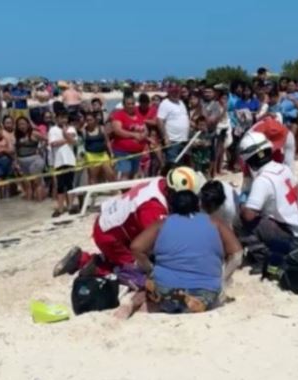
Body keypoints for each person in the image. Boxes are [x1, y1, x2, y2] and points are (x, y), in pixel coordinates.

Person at [52, 167, 202, 279]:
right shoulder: (153, 208)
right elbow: (155, 243)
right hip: (109, 235)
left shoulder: (160, 183)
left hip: (111, 222)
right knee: (136, 272)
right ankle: (88, 264)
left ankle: (89, 260)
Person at [129, 189, 243, 314]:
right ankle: (194, 301)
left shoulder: (162, 224)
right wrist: (222, 281)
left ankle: (164, 301)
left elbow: (136, 247)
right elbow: (237, 255)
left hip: (165, 293)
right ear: (198, 205)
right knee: (206, 292)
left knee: (150, 283)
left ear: (171, 207)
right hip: (207, 294)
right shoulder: (215, 222)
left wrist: (150, 269)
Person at [238, 132, 298, 245]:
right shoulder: (284, 168)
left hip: (290, 235)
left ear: (250, 161)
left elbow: (248, 216)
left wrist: (242, 204)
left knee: (245, 220)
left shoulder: (262, 180)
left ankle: (261, 252)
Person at [111, 95, 148, 180]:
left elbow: (145, 128)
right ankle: (123, 191)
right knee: (125, 172)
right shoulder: (119, 115)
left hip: (137, 152)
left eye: (132, 103)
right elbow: (117, 130)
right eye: (128, 104)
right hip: (123, 151)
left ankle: (131, 192)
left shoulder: (138, 115)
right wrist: (133, 135)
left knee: (135, 173)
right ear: (124, 105)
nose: (131, 106)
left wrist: (144, 135)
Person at [48, 111, 77, 217]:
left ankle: (70, 206)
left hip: (70, 160)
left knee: (70, 184)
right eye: (61, 118)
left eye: (65, 118)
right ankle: (60, 208)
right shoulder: (52, 130)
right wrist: (67, 138)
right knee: (60, 185)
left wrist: (65, 134)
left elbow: (74, 141)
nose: (63, 120)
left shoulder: (71, 129)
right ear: (56, 119)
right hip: (58, 161)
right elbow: (53, 143)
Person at [14, 116, 46, 201]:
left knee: (37, 183)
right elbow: (16, 150)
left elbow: (47, 139)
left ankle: (39, 203)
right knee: (27, 184)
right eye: (19, 124)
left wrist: (41, 148)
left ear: (28, 124)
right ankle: (29, 208)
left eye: (23, 123)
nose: (21, 126)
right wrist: (15, 161)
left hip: (35, 161)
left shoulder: (34, 133)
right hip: (22, 162)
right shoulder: (17, 135)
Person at [158, 85, 190, 163]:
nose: (175, 94)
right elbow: (159, 120)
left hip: (183, 139)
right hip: (172, 140)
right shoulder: (165, 103)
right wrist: (165, 137)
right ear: (169, 93)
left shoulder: (181, 102)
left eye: (177, 92)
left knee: (181, 163)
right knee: (172, 163)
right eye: (173, 92)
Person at [83, 111, 113, 184]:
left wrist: (111, 153)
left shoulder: (101, 128)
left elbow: (107, 141)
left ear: (95, 120)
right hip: (91, 156)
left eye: (91, 120)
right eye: (87, 120)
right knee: (93, 176)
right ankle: (93, 193)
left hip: (103, 155)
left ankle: (114, 191)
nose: (89, 122)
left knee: (110, 174)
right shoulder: (84, 130)